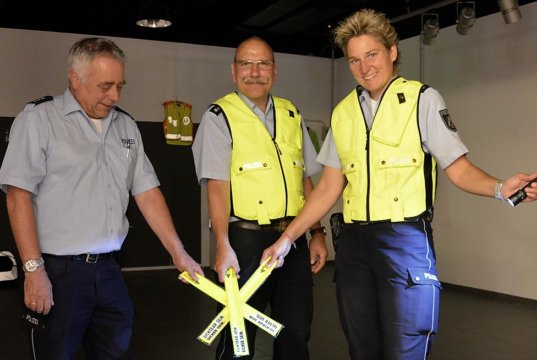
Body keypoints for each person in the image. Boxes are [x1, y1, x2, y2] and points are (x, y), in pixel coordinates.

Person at [260, 9, 537, 360]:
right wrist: (287, 239)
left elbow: (459, 169)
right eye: (354, 60)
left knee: (406, 349)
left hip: (404, 242)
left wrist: (501, 188)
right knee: (363, 350)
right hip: (354, 247)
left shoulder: (422, 100)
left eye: (372, 55)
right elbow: (330, 189)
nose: (364, 67)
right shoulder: (343, 113)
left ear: (392, 52)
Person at [0, 37, 204, 359]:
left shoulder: (125, 125)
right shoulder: (39, 119)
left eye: (120, 86)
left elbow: (147, 192)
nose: (115, 96)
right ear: (75, 79)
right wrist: (34, 270)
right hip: (57, 272)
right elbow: (18, 197)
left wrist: (178, 253)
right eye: (105, 86)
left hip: (109, 272)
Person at [191, 36, 328, 360]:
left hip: (291, 244)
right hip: (244, 243)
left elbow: (305, 179)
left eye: (263, 63)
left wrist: (317, 233)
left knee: (295, 334)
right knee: (238, 338)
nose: (254, 72)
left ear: (275, 71)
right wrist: (222, 244)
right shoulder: (219, 116)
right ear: (233, 70)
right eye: (246, 64)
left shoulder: (291, 114)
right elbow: (217, 186)